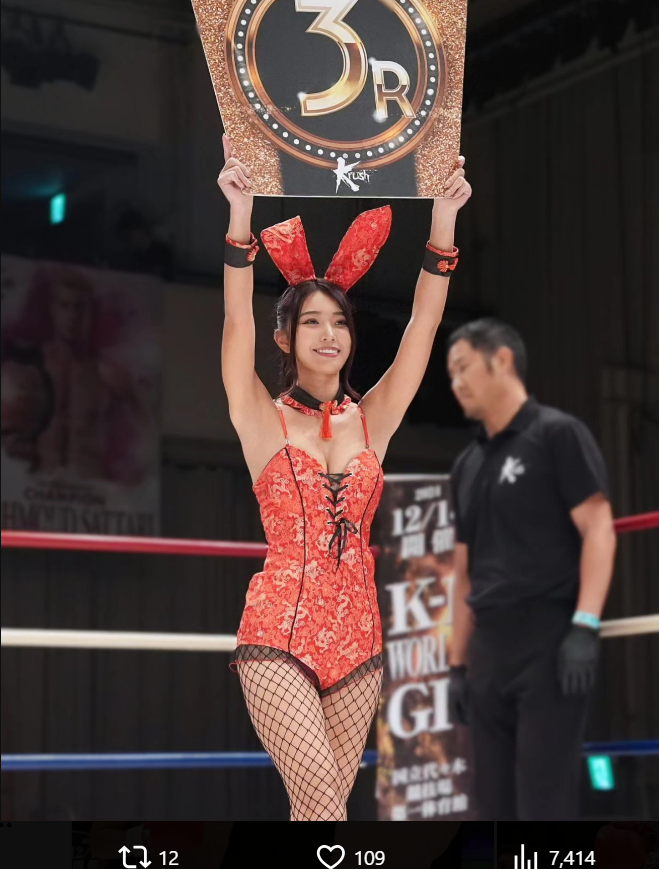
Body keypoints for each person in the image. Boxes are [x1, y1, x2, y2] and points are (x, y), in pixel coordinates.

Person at [218, 134, 471, 820]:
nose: (328, 334)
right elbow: (235, 323)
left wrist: (443, 220)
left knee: (322, 816)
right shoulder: (260, 419)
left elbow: (423, 326)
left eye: (339, 322)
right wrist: (240, 216)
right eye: (311, 322)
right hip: (278, 633)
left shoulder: (372, 420)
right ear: (285, 337)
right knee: (322, 806)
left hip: (360, 641)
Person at [445, 318, 617, 820]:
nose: (455, 383)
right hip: (487, 646)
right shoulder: (466, 465)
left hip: (549, 639)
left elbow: (599, 529)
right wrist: (456, 665)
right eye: (450, 374)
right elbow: (463, 571)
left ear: (501, 360)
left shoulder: (557, 434)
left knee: (544, 801)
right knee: (490, 805)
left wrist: (585, 624)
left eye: (463, 368)